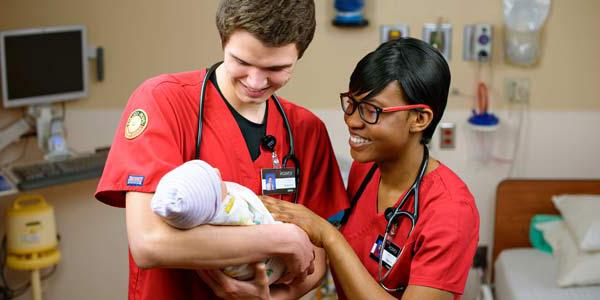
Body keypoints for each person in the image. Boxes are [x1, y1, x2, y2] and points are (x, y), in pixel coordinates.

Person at [94, 0, 349, 299]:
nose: (256, 81)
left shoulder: (306, 130)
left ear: (299, 56)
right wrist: (278, 239)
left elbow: (317, 259)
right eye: (241, 61)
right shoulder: (164, 102)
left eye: (276, 68)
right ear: (223, 40)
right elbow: (149, 243)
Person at [262, 37, 480, 300]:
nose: (352, 121)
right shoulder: (364, 171)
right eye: (352, 104)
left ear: (419, 119)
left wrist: (329, 236)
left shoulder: (451, 211)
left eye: (372, 110)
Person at [151, 159, 286, 284]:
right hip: (267, 267)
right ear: (214, 203)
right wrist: (287, 234)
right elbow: (260, 227)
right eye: (214, 179)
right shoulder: (231, 211)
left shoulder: (199, 219)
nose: (217, 170)